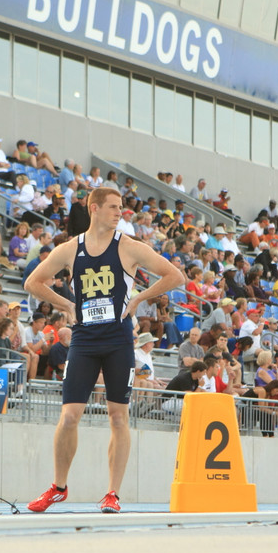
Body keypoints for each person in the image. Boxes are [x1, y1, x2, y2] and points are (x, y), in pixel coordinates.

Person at [25, 187, 184, 513]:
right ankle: (58, 487)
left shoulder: (128, 246)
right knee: (69, 416)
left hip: (118, 340)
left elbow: (174, 275)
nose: (119, 212)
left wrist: (139, 298)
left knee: (117, 416)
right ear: (94, 208)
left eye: (121, 207)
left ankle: (112, 493)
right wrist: (66, 303)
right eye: (113, 207)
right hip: (84, 338)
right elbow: (33, 282)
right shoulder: (72, 249)